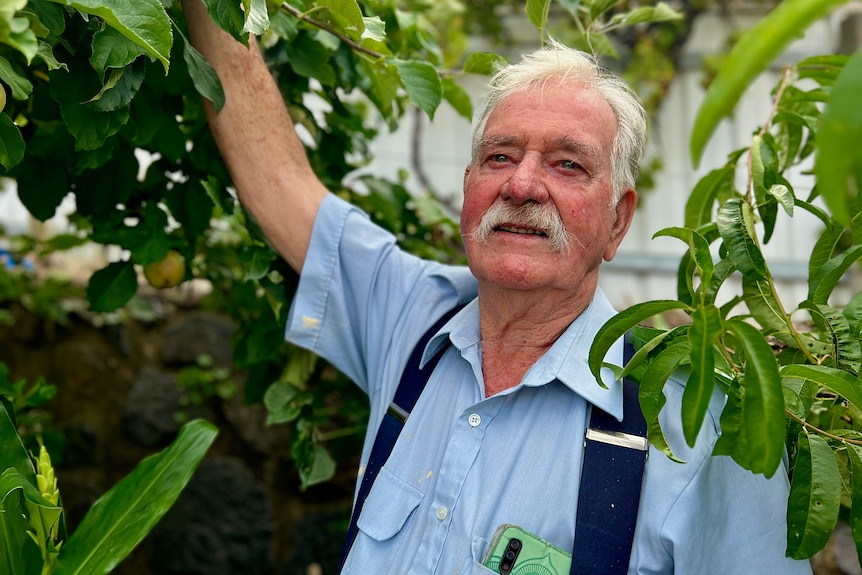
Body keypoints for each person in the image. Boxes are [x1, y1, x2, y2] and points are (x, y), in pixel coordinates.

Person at [183, 2, 813, 573]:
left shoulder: (704, 432)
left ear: (618, 220)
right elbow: (277, 180)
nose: (522, 186)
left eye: (568, 164)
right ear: (467, 187)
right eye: (500, 156)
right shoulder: (411, 318)